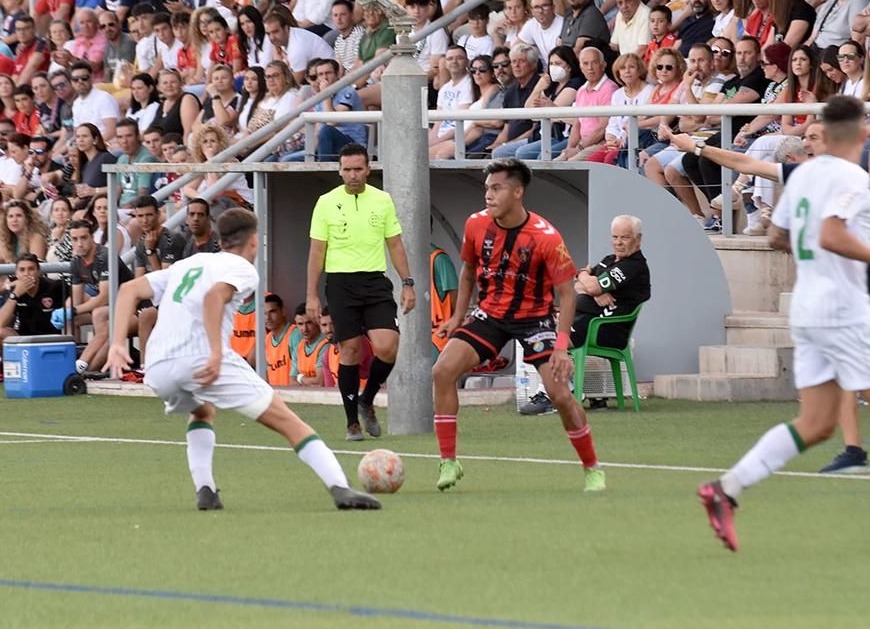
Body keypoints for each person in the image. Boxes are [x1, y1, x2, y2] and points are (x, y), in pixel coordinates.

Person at [697, 96, 870, 556]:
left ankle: (725, 490)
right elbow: (831, 233)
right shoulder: (851, 176)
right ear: (861, 132)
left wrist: (812, 240)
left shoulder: (805, 175)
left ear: (825, 133)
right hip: (844, 309)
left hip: (807, 309)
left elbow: (776, 236)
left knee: (815, 423)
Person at [107, 208, 380, 512]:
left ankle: (206, 490)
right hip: (200, 358)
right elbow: (214, 297)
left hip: (158, 367)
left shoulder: (189, 264)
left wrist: (118, 343)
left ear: (221, 239)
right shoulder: (242, 269)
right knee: (287, 420)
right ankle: (340, 488)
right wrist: (214, 352)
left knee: (202, 410)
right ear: (253, 241)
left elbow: (129, 289)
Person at [432, 159, 604, 493]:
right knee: (442, 371)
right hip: (490, 315)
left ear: (518, 191)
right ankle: (449, 461)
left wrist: (561, 347)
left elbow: (567, 295)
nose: (489, 195)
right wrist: (456, 317)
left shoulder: (545, 237)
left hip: (535, 320)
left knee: (560, 395)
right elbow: (467, 271)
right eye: (487, 188)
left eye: (496, 188)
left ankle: (592, 467)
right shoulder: (475, 225)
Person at [306, 143, 416, 441]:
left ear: (368, 169)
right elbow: (317, 252)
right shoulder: (326, 202)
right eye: (347, 169)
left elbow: (395, 244)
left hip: (375, 281)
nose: (353, 175)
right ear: (340, 170)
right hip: (340, 284)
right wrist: (312, 295)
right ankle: (352, 421)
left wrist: (408, 283)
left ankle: (367, 399)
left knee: (388, 346)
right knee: (351, 350)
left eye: (358, 169)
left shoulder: (382, 200)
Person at [520, 214, 651, 415]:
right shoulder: (610, 260)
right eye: (615, 237)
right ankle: (565, 387)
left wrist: (590, 284)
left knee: (545, 340)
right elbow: (580, 285)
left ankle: (552, 393)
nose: (618, 242)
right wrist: (587, 280)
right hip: (585, 321)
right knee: (535, 332)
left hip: (603, 328)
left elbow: (590, 285)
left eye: (624, 237)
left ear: (638, 239)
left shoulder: (633, 266)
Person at [69, 219, 133, 375]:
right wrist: (70, 310)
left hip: (133, 308)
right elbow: (76, 301)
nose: (79, 243)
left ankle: (83, 365)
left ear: (92, 237)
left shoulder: (104, 256)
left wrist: (74, 309)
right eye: (75, 239)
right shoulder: (76, 261)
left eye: (83, 238)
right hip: (112, 309)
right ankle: (71, 358)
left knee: (99, 314)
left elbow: (104, 297)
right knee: (69, 312)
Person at [0, 254, 67, 353]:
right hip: (24, 339)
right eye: (22, 270)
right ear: (16, 274)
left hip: (51, 339)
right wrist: (15, 294)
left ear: (38, 272)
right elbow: (0, 323)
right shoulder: (15, 290)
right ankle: (9, 366)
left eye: (31, 269)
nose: (26, 274)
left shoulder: (54, 287)